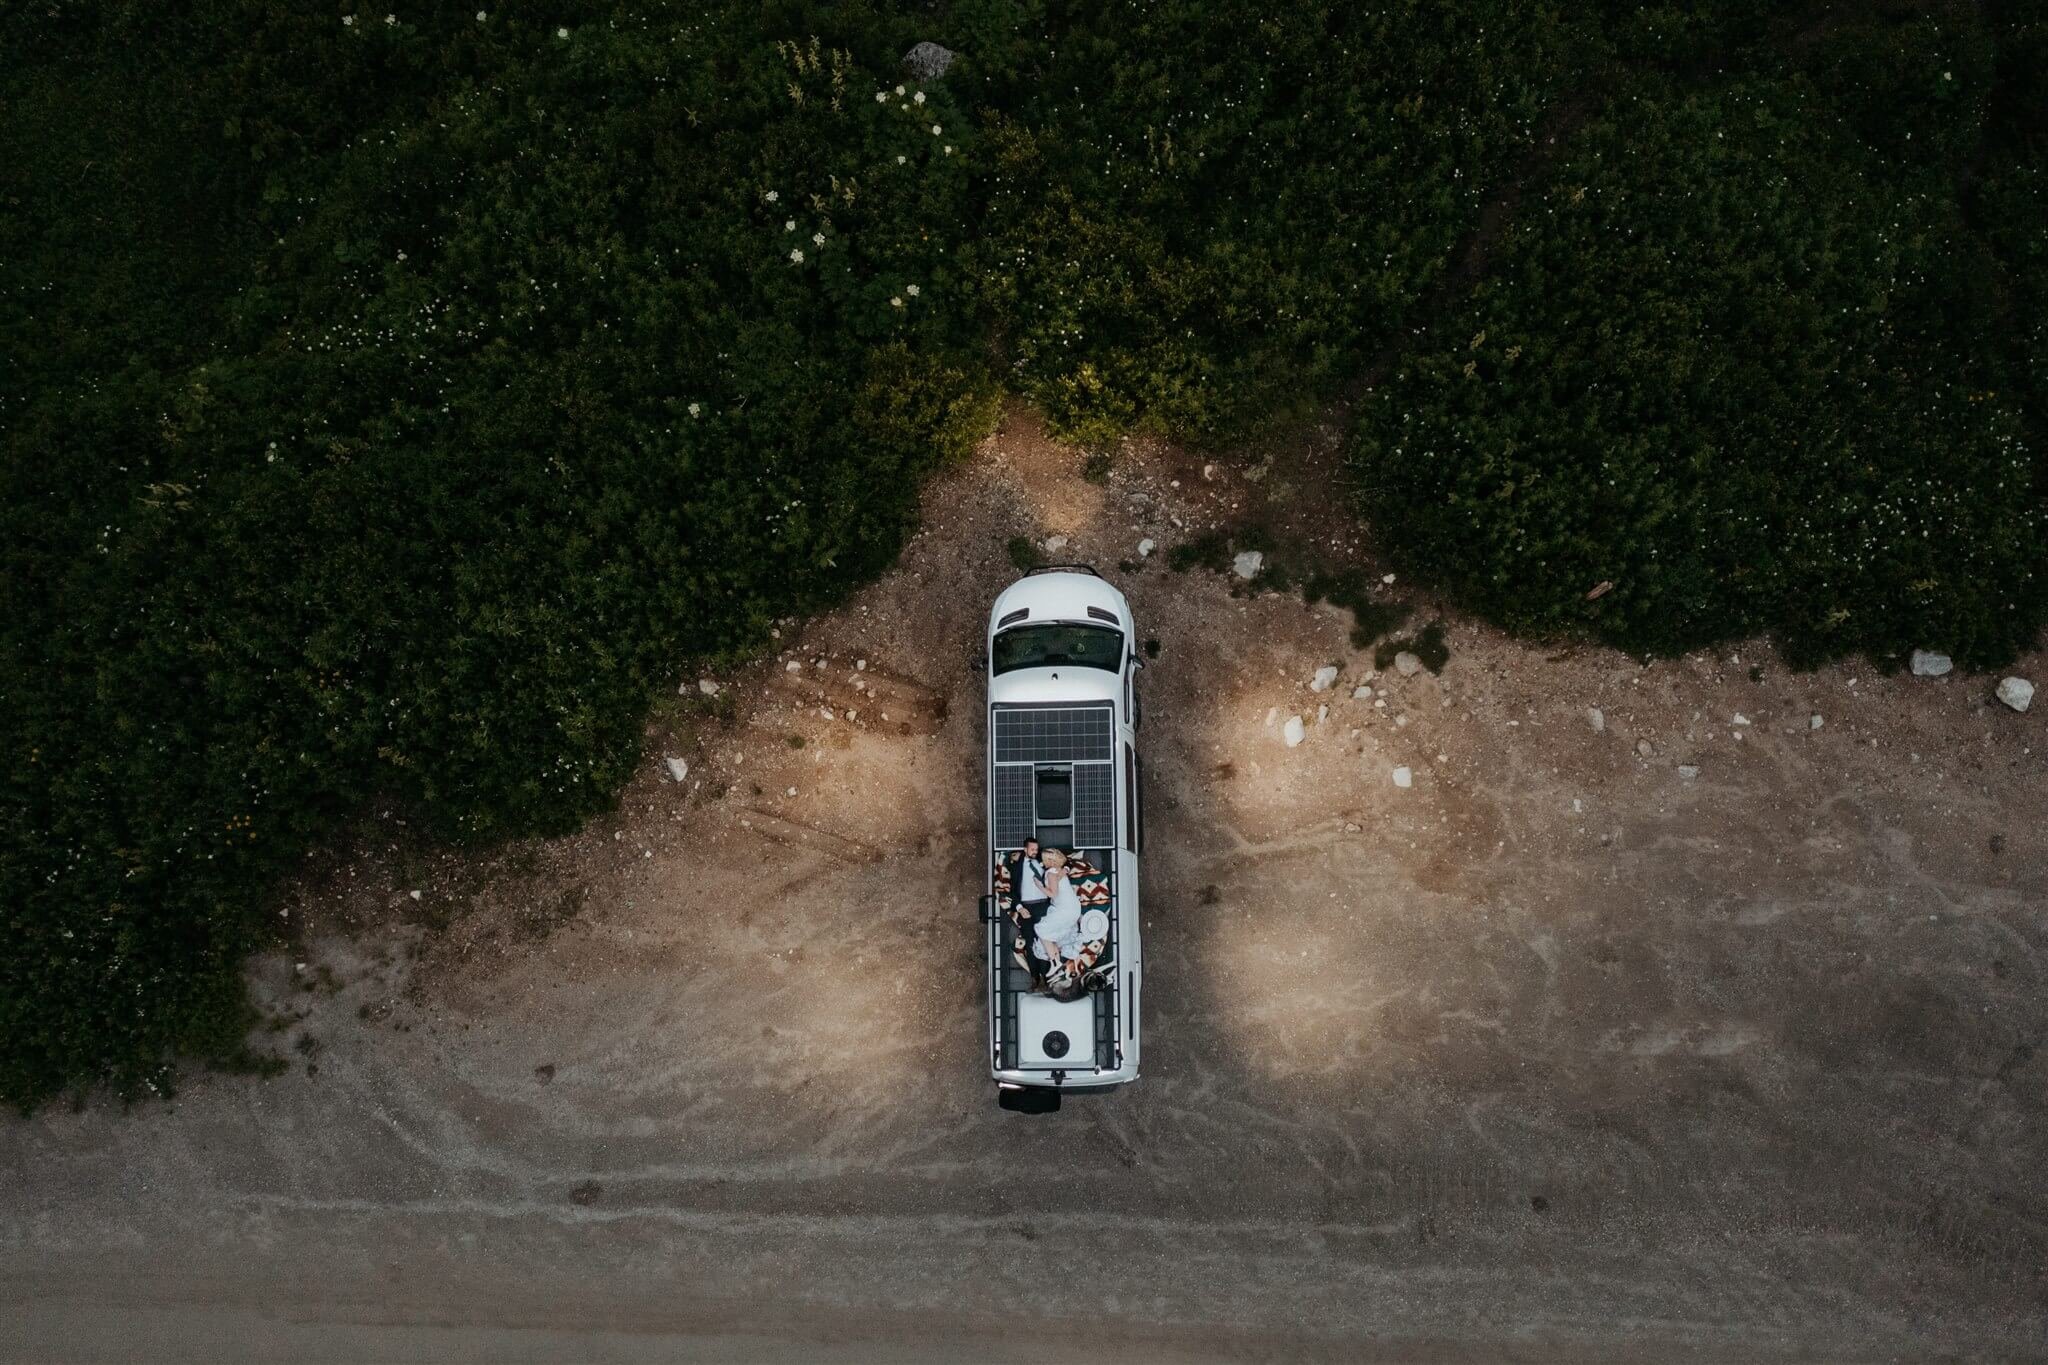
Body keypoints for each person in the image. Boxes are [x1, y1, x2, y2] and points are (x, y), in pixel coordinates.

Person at [1031, 848, 1086, 971]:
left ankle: (1055, 962)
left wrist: (1039, 886)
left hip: (1066, 909)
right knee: (1048, 933)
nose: (1042, 862)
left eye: (1044, 860)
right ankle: (1055, 962)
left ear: (1049, 861)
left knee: (1041, 929)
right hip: (1072, 908)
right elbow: (1064, 872)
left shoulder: (1051, 873)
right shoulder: (1059, 870)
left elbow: (1053, 894)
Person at [1008, 839, 1051, 983]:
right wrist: (1020, 909)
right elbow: (1012, 891)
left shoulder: (1042, 861)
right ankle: (1034, 977)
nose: (1035, 852)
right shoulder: (1017, 866)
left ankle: (1046, 976)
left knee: (1044, 941)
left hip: (1043, 905)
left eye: (1036, 849)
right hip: (1026, 907)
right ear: (1025, 849)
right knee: (1030, 942)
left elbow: (1061, 862)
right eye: (1032, 849)